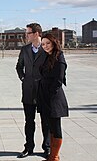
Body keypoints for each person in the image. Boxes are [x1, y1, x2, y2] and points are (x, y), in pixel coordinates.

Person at [16, 23, 50, 158]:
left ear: (36, 34)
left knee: (46, 121)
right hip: (28, 91)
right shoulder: (24, 49)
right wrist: (23, 78)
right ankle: (28, 147)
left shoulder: (47, 48)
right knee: (29, 121)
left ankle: (46, 148)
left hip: (43, 91)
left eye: (28, 33)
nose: (26, 35)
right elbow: (19, 66)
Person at [39, 33, 69, 161]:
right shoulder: (47, 56)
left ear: (53, 43)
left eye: (48, 43)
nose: (45, 46)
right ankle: (52, 155)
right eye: (43, 44)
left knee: (56, 127)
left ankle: (55, 156)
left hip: (54, 98)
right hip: (45, 96)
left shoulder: (59, 57)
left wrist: (50, 94)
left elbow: (58, 79)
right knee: (50, 126)